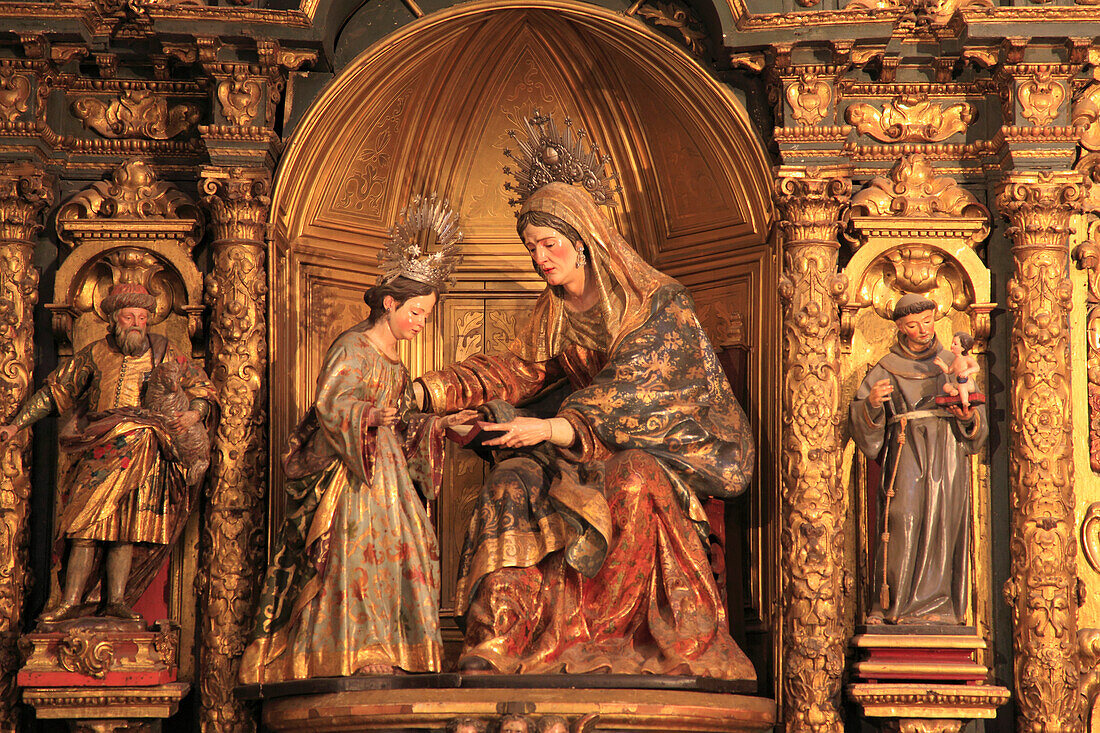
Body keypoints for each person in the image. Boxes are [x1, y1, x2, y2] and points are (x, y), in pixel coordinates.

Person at [414, 182, 756, 679]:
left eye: (549, 244)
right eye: (531, 247)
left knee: (630, 479)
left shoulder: (658, 303)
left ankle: (613, 638)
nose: (540, 258)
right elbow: (517, 369)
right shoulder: (553, 310)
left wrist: (552, 428)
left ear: (584, 242)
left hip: (659, 447)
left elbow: (638, 394)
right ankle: (500, 638)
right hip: (573, 446)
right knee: (511, 481)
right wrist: (429, 392)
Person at [239, 275, 475, 682]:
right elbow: (330, 403)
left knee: (413, 546)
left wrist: (439, 425)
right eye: (415, 313)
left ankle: (402, 646)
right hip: (352, 473)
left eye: (426, 316)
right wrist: (365, 416)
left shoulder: (397, 364)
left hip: (390, 473)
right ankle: (358, 646)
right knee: (356, 546)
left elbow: (402, 420)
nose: (420, 323)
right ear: (389, 303)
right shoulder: (353, 347)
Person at [0, 282, 216, 623]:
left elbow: (202, 388)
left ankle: (116, 600)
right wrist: (15, 425)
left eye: (142, 317)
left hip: (144, 447)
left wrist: (193, 413)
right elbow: (56, 392)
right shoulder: (93, 353)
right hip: (98, 446)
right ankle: (70, 601)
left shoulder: (164, 352)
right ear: (113, 320)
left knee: (125, 528)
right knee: (83, 525)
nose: (135, 323)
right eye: (128, 316)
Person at [849, 294, 987, 625]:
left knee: (942, 522)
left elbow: (976, 423)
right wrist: (872, 403)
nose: (922, 330)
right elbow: (862, 422)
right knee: (902, 519)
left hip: (947, 451)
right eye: (912, 325)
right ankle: (891, 603)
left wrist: (967, 415)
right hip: (906, 447)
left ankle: (939, 607)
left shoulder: (952, 361)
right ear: (900, 327)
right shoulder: (885, 367)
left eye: (927, 322)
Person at [933, 331, 980, 408]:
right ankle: (953, 391)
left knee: (962, 387)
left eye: (955, 344)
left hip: (967, 384)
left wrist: (966, 372)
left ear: (963, 348)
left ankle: (965, 402)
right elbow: (949, 371)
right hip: (957, 384)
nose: (952, 346)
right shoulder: (956, 360)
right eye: (952, 343)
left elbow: (976, 367)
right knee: (946, 386)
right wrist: (941, 364)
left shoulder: (967, 359)